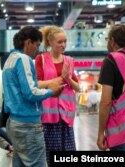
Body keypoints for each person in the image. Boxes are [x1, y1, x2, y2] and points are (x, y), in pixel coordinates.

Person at [2, 26, 62, 167]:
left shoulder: (10, 59)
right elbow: (30, 93)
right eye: (37, 45)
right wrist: (51, 91)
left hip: (14, 122)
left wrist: (47, 85)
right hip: (28, 124)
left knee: (19, 163)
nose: (38, 49)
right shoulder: (24, 59)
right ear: (28, 42)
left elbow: (24, 88)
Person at [35, 25, 80, 166]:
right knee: (50, 156)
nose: (63, 45)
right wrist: (58, 79)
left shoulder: (69, 60)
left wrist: (68, 78)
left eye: (65, 41)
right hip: (48, 118)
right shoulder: (41, 59)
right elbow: (37, 83)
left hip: (66, 116)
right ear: (50, 42)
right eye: (60, 42)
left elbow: (78, 87)